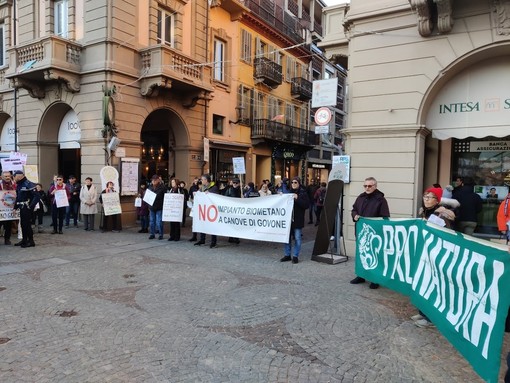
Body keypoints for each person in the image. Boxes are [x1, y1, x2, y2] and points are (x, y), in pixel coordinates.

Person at [412, 186, 457, 328]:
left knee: (433, 285)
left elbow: (447, 234)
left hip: (435, 255)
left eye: (430, 197)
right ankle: (422, 311)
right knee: (422, 283)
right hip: (423, 253)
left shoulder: (441, 214)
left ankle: (431, 318)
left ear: (437, 200)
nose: (426, 200)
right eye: (425, 196)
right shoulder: (423, 211)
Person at [350, 177, 390, 289]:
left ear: (375, 186)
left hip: (374, 234)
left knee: (374, 256)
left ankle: (374, 279)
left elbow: (385, 217)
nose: (367, 188)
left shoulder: (380, 200)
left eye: (369, 186)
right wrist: (355, 215)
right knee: (360, 254)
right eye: (365, 186)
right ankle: (361, 275)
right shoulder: (360, 197)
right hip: (361, 232)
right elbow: (354, 209)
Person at [280, 176, 309, 264]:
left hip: (297, 220)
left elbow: (306, 205)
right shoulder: (288, 192)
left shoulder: (303, 193)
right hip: (288, 220)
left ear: (299, 183)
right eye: (292, 182)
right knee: (286, 238)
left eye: (295, 182)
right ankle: (287, 255)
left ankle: (295, 256)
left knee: (297, 238)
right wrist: (281, 197)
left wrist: (297, 198)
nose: (293, 184)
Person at [14, 170, 40, 247]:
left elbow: (37, 196)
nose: (14, 178)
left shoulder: (28, 184)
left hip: (27, 207)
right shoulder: (19, 184)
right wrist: (15, 207)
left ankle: (31, 241)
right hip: (22, 207)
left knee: (27, 225)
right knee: (23, 224)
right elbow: (18, 197)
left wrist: (30, 206)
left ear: (19, 176)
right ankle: (24, 240)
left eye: (14, 176)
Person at [194, 174, 219, 248]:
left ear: (206, 180)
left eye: (202, 179)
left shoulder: (214, 188)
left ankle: (213, 242)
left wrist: (210, 194)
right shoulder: (202, 188)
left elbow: (216, 197)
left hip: (211, 210)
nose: (201, 181)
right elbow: (199, 194)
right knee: (202, 224)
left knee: (212, 226)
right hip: (203, 209)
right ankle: (202, 240)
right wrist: (196, 194)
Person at [0, 171, 16, 245]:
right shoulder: (0, 184)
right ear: (2, 177)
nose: (7, 178)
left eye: (8, 176)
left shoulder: (13, 184)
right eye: (5, 176)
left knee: (8, 225)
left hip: (9, 208)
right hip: (0, 208)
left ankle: (7, 239)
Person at [148, 174, 166, 240]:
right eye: (153, 180)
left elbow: (164, 197)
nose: (153, 181)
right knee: (152, 221)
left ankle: (161, 234)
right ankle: (152, 234)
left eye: (155, 180)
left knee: (159, 221)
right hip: (152, 206)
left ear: (158, 180)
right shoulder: (150, 187)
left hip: (159, 206)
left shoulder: (162, 187)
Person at [225, 177, 242, 244]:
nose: (234, 184)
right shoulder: (229, 190)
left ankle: (236, 237)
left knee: (237, 224)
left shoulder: (241, 190)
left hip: (238, 210)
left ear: (239, 183)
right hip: (231, 210)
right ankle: (231, 237)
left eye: (236, 183)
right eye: (234, 182)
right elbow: (225, 198)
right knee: (231, 224)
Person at [188, 177, 201, 242]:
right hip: (194, 205)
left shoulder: (202, 189)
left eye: (197, 182)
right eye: (195, 181)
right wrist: (191, 200)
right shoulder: (192, 188)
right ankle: (194, 236)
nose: (196, 183)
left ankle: (201, 237)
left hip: (201, 207)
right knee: (194, 222)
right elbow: (189, 196)